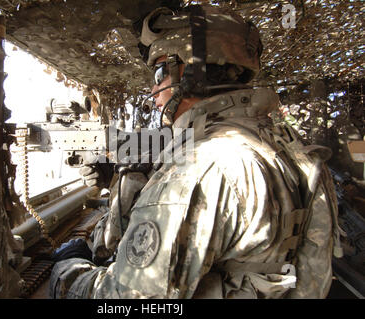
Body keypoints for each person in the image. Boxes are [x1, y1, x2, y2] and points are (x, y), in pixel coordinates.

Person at [49, 4, 343, 299]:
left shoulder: (203, 166)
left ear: (191, 71)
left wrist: (68, 272)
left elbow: (129, 300)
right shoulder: (279, 139)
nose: (155, 91)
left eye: (159, 73)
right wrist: (113, 178)